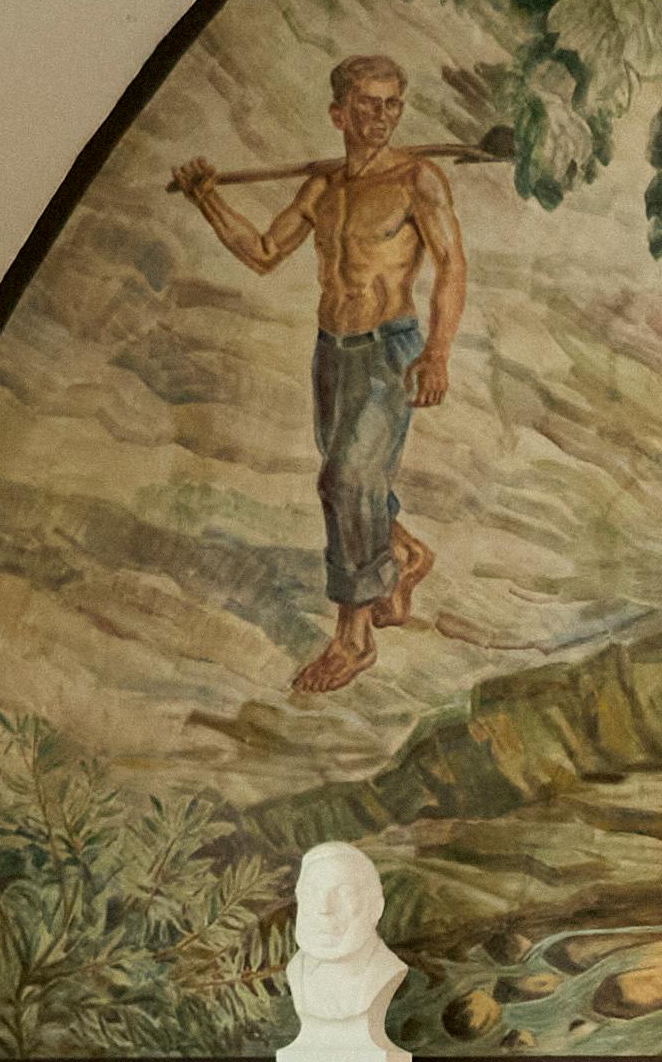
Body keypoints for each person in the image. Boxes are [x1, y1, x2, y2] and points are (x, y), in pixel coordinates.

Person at [174, 49, 469, 699]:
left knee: (346, 479)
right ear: (338, 112)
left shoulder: (417, 181)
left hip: (390, 348)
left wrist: (438, 353)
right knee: (349, 483)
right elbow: (261, 252)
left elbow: (451, 266)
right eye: (366, 103)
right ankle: (407, 557)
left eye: (392, 103)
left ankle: (353, 637)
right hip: (331, 352)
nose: (381, 115)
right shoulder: (321, 189)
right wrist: (207, 201)